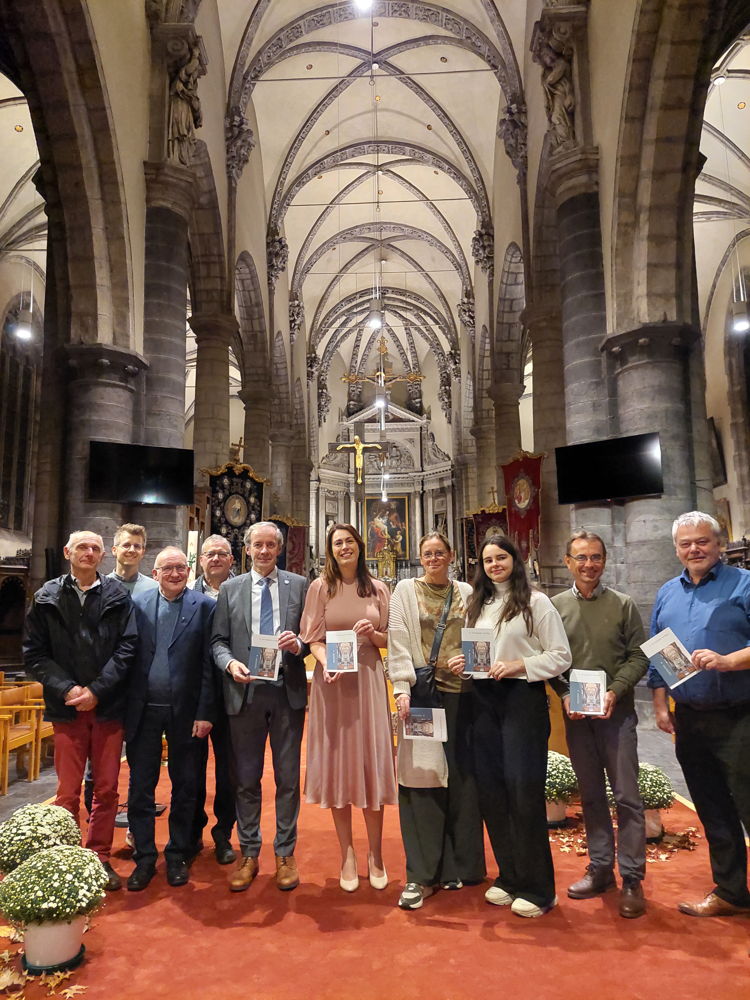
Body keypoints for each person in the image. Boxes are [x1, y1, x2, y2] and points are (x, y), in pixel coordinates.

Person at [448, 534, 570, 918]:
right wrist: (462, 662)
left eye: (501, 557)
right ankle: (510, 876)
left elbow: (560, 656)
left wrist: (521, 666)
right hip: (484, 700)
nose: (494, 565)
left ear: (515, 560)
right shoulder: (476, 604)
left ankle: (539, 888)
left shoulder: (537, 602)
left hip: (521, 699)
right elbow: (480, 654)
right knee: (493, 790)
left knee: (522, 790)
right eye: (487, 560)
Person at [648, 511, 750, 917]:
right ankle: (730, 892)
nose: (694, 549)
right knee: (711, 807)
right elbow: (659, 653)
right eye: (686, 543)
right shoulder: (667, 593)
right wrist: (660, 705)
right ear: (676, 549)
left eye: (702, 541)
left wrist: (729, 661)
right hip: (689, 716)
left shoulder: (743, 584)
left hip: (739, 716)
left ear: (719, 544)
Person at [23, 530, 136, 891]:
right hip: (67, 707)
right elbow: (35, 654)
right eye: (83, 547)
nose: (89, 553)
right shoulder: (46, 597)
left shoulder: (118, 596)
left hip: (106, 707)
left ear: (103, 556)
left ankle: (100, 857)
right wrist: (68, 688)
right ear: (68, 552)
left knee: (106, 789)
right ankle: (67, 859)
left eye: (95, 549)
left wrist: (97, 690)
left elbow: (127, 649)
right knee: (68, 790)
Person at [550, 530, 648, 918]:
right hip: (577, 717)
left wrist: (616, 690)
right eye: (581, 557)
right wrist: (563, 693)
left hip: (616, 714)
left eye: (595, 557)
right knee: (590, 795)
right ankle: (602, 868)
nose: (588, 564)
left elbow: (639, 656)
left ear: (604, 561)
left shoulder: (623, 605)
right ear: (567, 561)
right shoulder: (554, 607)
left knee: (626, 796)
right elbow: (550, 658)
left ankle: (633, 878)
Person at [388, 530, 484, 910]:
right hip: (423, 697)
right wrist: (401, 689)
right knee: (421, 779)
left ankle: (461, 865)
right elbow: (397, 640)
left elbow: (482, 637)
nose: (433, 558)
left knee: (463, 779)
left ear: (452, 555)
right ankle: (422, 874)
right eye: (427, 553)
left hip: (465, 696)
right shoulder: (404, 592)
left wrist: (475, 665)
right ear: (420, 557)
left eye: (439, 552)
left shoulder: (468, 592)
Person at [211, 522, 309, 893]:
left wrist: (298, 644)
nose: (265, 551)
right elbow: (218, 641)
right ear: (247, 550)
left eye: (271, 545)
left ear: (279, 549)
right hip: (245, 692)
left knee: (287, 779)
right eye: (258, 545)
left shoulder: (299, 586)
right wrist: (229, 664)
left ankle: (285, 853)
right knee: (246, 779)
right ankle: (249, 852)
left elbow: (312, 638)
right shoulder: (231, 589)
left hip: (286, 693)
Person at [300, 523, 395, 891]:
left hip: (369, 680)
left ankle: (375, 853)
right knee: (340, 763)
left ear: (360, 545)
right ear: (330, 549)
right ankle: (347, 854)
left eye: (349, 541)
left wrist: (373, 635)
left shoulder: (379, 588)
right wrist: (327, 663)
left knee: (370, 762)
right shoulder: (320, 587)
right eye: (337, 542)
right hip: (334, 685)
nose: (344, 547)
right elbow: (312, 638)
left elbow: (389, 637)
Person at [125, 547, 215, 891]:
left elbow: (209, 663)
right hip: (144, 710)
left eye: (181, 567)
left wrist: (206, 712)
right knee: (140, 788)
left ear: (189, 570)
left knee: (186, 786)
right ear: (156, 571)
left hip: (187, 713)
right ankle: (145, 858)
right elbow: (129, 655)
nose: (175, 573)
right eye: (168, 568)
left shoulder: (205, 607)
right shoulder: (139, 604)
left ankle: (177, 854)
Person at [191, 534, 237, 866]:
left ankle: (223, 833)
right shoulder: (185, 592)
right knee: (190, 770)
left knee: (229, 773)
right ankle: (191, 832)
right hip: (192, 698)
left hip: (233, 695)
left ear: (232, 560)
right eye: (210, 554)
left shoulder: (244, 591)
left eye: (223, 554)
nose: (216, 559)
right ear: (201, 559)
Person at [108, 523, 159, 597]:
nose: (132, 550)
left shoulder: (154, 588)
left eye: (137, 546)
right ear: (114, 550)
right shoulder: (102, 587)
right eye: (126, 545)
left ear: (142, 552)